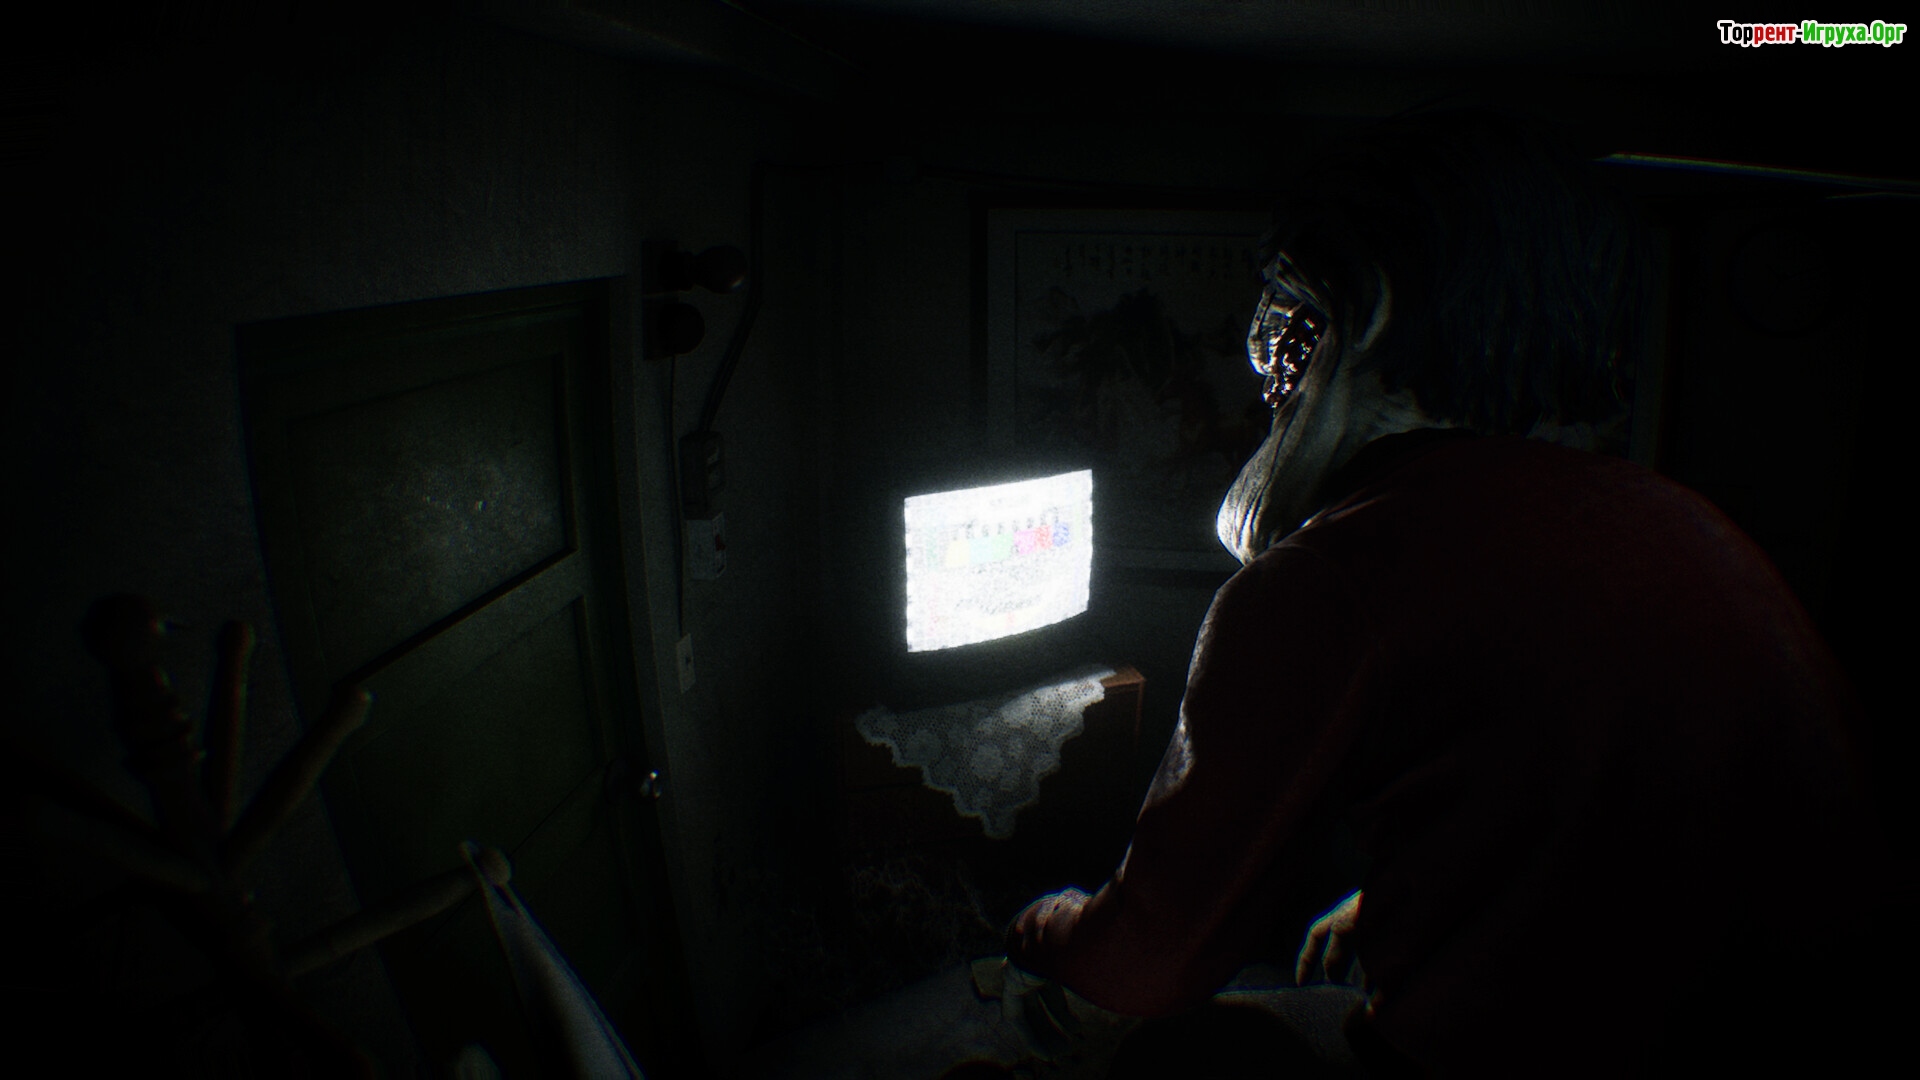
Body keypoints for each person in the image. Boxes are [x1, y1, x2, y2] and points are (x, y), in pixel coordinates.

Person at [1001, 111, 1910, 1077]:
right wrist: (1399, 900)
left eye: (1284, 320)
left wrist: (1044, 925)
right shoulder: (1679, 520)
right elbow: (1640, 819)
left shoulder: (1328, 577)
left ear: (1360, 316)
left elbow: (1150, 962)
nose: (1267, 371)